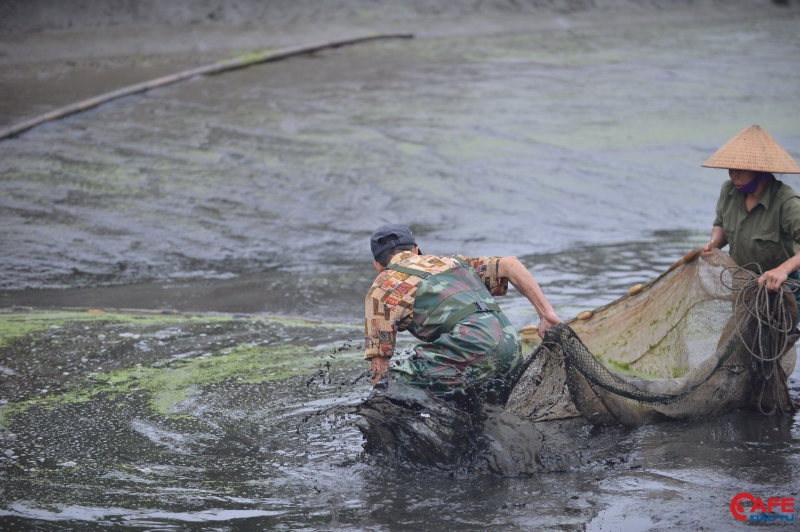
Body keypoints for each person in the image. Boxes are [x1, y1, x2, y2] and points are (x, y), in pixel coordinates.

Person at [364, 223, 560, 406]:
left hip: (471, 351)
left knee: (389, 389)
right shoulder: (452, 261)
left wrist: (379, 403)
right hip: (511, 349)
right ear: (415, 250)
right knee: (484, 412)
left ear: (377, 266)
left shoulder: (382, 288)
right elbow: (510, 264)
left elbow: (380, 363)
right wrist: (545, 313)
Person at [701, 125, 800, 301]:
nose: (733, 175)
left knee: (781, 328)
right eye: (730, 169)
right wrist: (714, 243)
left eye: (740, 169)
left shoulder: (786, 202)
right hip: (743, 285)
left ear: (760, 170)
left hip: (785, 288)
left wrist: (781, 270)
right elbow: (720, 224)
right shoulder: (729, 191)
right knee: (739, 329)